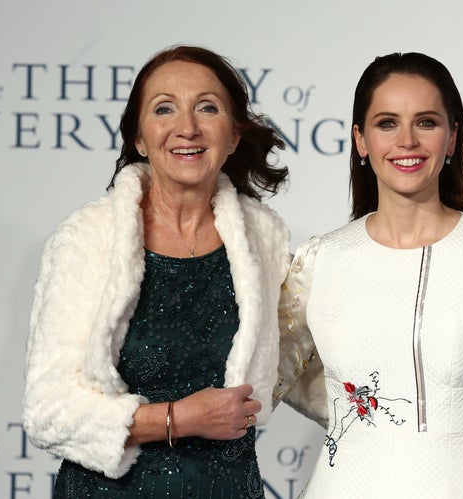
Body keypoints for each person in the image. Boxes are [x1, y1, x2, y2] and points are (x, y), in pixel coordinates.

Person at [275, 52, 463, 498]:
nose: (406, 140)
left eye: (426, 122)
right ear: (360, 139)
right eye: (387, 123)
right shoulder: (321, 257)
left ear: (452, 138)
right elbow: (255, 384)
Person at [22, 45, 291, 498]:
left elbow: (303, 365)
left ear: (233, 136)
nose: (187, 127)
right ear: (139, 138)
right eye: (164, 108)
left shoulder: (264, 237)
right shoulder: (88, 237)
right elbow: (47, 411)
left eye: (208, 107)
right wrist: (181, 419)